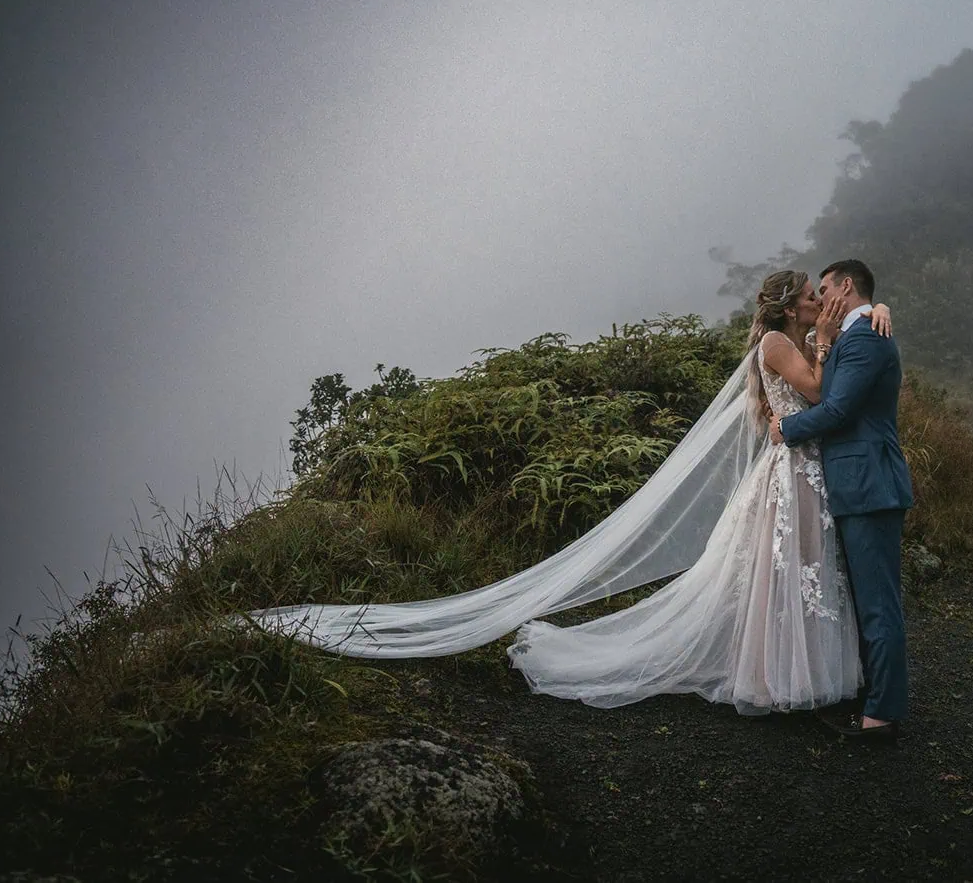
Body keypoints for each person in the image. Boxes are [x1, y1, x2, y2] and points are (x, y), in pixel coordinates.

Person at [245, 269, 897, 723]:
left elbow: (825, 386)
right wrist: (831, 337)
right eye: (814, 296)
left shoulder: (799, 336)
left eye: (825, 297)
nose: (821, 302)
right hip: (789, 474)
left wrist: (861, 320)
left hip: (801, 470)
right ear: (790, 307)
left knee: (792, 578)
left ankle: (796, 674)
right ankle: (773, 678)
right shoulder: (784, 341)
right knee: (777, 579)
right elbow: (818, 394)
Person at [772, 259, 914, 743]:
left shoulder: (867, 336)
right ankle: (875, 694)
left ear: (845, 287)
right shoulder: (854, 333)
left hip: (869, 484)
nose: (819, 296)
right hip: (855, 484)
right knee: (865, 599)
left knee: (878, 604)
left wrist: (785, 428)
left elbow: (836, 408)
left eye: (825, 287)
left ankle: (882, 715)